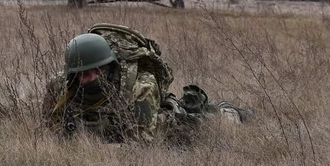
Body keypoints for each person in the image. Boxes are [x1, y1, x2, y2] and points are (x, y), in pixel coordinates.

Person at [42, 23, 253, 144]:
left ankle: (229, 112)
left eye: (91, 73)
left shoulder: (141, 86)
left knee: (200, 122)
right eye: (78, 74)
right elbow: (49, 128)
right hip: (115, 126)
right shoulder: (59, 86)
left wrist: (87, 142)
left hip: (160, 124)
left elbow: (141, 144)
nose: (84, 80)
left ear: (106, 69)